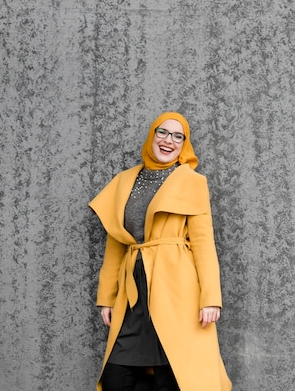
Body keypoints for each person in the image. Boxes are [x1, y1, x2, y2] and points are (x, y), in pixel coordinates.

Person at [89, 111, 231, 391]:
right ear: (152, 135)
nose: (169, 141)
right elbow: (116, 243)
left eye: (179, 136)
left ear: (184, 144)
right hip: (134, 291)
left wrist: (210, 298)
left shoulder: (191, 181)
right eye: (163, 132)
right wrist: (107, 296)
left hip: (177, 289)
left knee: (175, 373)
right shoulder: (124, 180)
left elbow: (203, 243)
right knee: (116, 378)